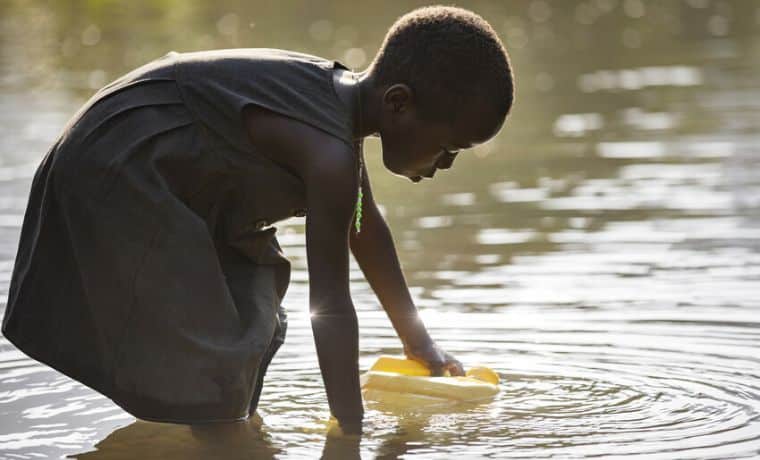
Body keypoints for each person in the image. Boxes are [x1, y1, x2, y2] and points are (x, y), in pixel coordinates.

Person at [1, 5, 513, 434]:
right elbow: (331, 303)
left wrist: (418, 342)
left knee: (252, 300)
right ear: (399, 103)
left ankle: (225, 433)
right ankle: (215, 431)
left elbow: (365, 226)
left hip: (168, 176)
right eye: (448, 149)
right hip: (120, 164)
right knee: (215, 348)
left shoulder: (343, 126)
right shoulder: (330, 153)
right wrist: (351, 431)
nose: (445, 165)